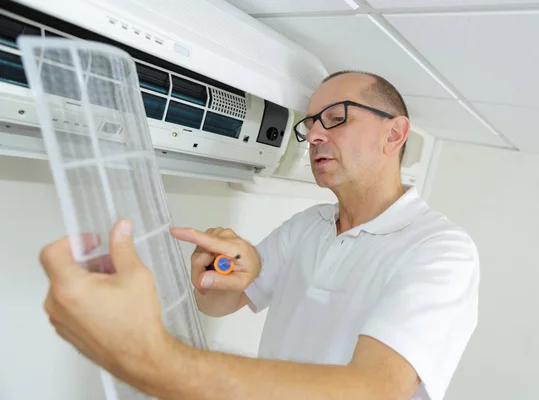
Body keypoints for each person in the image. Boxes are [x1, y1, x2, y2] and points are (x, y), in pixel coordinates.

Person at [39, 71, 480, 400]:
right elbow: (219, 302)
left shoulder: (440, 251)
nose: (316, 136)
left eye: (336, 117)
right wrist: (217, 271)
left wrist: (148, 358)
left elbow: (373, 390)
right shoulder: (309, 225)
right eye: (310, 125)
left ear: (395, 133)